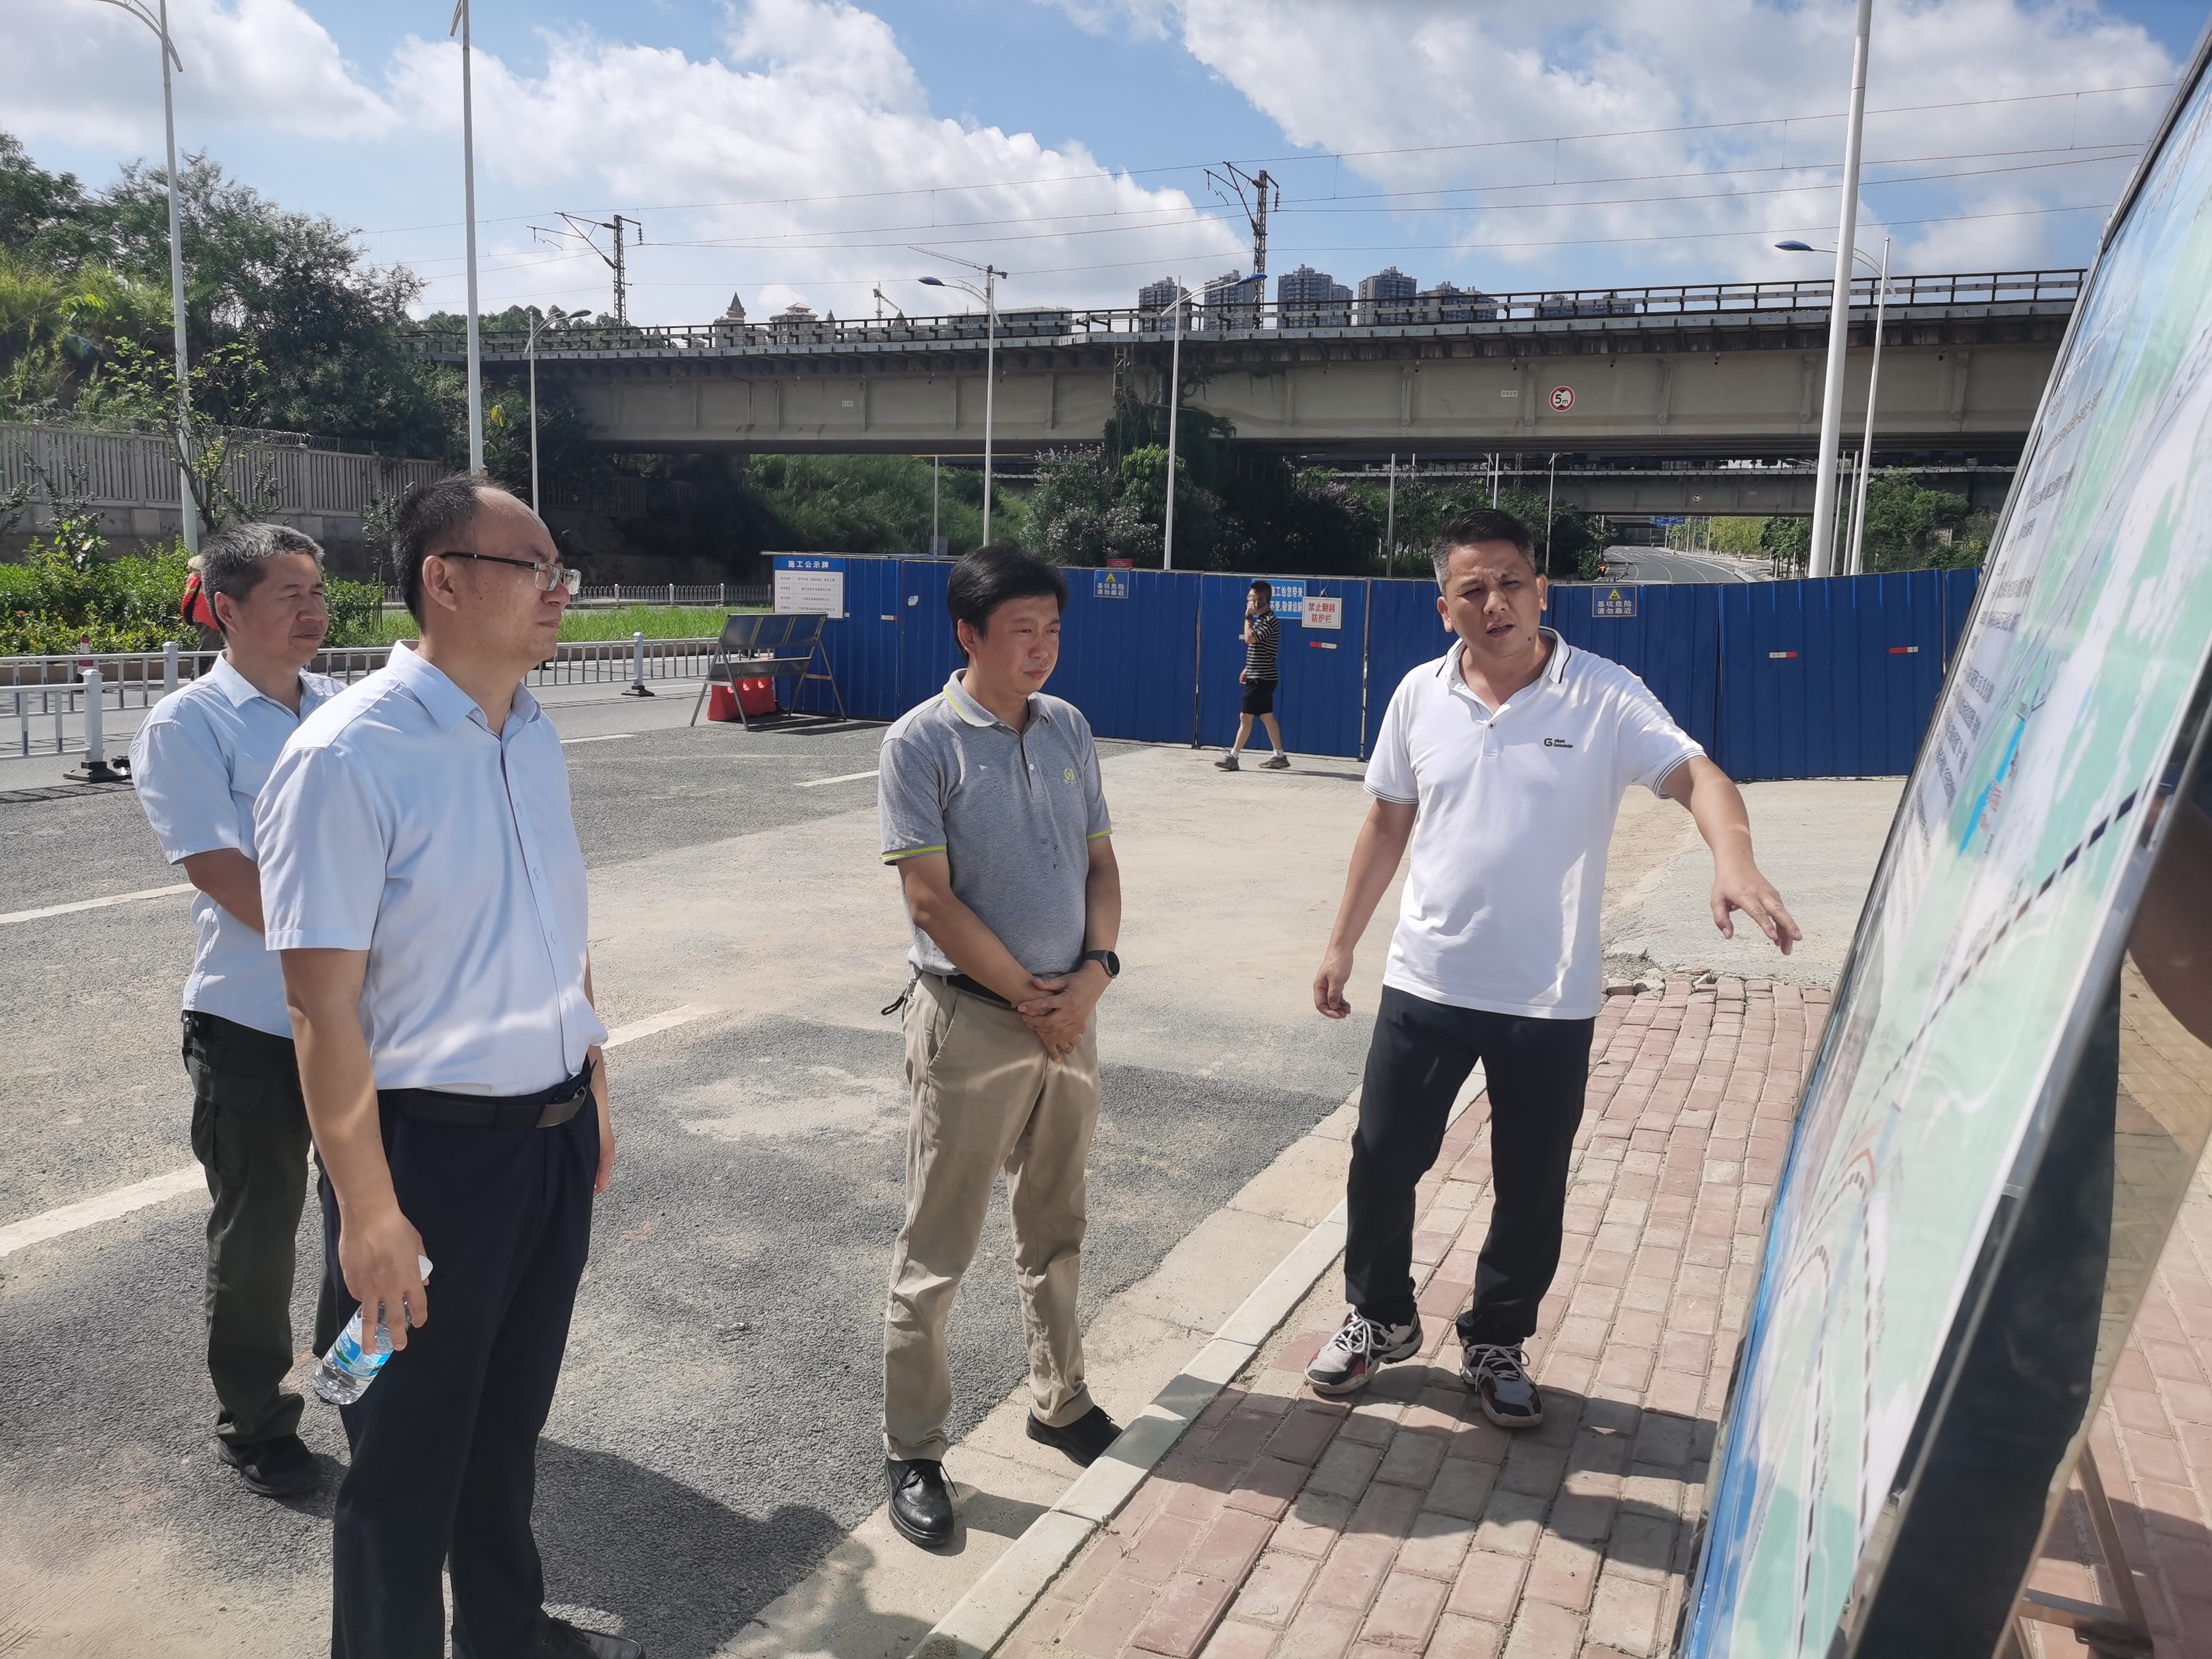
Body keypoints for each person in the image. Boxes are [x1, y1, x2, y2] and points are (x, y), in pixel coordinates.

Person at [255, 476, 640, 1659]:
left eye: (561, 569)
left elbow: (559, 929)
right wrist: (369, 1213)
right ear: (447, 579)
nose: (559, 590)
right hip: (424, 1167)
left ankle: (507, 1636)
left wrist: (592, 1087)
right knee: (400, 1461)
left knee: (506, 1428)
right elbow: (319, 1005)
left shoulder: (532, 732)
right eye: (535, 567)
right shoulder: (347, 756)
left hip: (548, 1146)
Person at [1305, 508, 1800, 1426]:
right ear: (1444, 606)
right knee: (1381, 1159)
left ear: (1542, 590)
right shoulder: (1418, 695)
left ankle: (1497, 1338)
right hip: (1428, 978)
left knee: (1531, 1182)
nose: (1495, 603)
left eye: (1511, 583)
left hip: (1548, 995)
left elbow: (1698, 776)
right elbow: (1386, 822)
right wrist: (1342, 943)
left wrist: (1732, 859)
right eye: (1473, 589)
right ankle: (1380, 1317)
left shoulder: (1604, 695)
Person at [876, 544, 1125, 1548]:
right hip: (975, 1024)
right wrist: (1032, 998)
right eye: (1022, 630)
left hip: (1071, 1019)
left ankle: (1059, 1398)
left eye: (1052, 629)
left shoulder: (1068, 727)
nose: (1041, 648)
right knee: (937, 1245)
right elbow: (929, 900)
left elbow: (1102, 864)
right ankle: (914, 1448)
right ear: (968, 634)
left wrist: (1095, 973)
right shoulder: (920, 742)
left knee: (1056, 1221)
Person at [129, 522, 343, 1498]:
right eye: (290, 593)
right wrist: (345, 947)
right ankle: (255, 1424)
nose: (314, 610)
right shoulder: (189, 725)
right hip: (253, 1029)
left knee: (373, 1218)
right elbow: (223, 872)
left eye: (318, 591)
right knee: (258, 1238)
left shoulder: (343, 709)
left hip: (360, 1021)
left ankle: (361, 1386)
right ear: (226, 608)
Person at [1215, 578, 1288, 771]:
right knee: (1267, 717)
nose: (1249, 602)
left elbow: (1250, 639)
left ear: (1263, 600)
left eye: (1252, 598)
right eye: (1249, 598)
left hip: (1262, 679)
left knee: (1245, 717)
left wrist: (1247, 618)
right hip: (1260, 675)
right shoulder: (1262, 620)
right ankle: (1279, 756)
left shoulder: (1269, 621)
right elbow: (1261, 650)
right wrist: (1248, 668)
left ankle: (1233, 758)